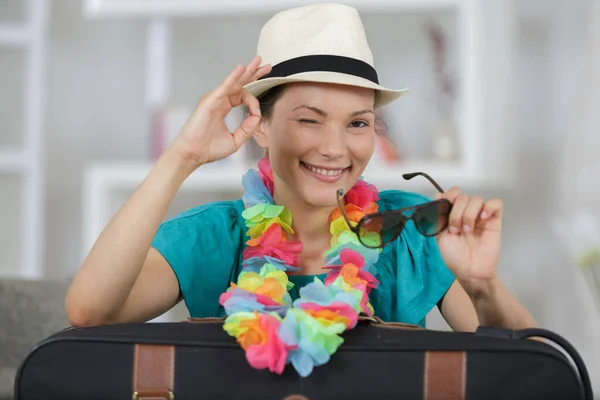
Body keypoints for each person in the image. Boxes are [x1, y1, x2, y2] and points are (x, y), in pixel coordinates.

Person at [66, 3, 537, 338]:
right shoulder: (212, 236)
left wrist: (483, 286)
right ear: (262, 127)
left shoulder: (414, 227)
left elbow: (527, 374)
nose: (334, 148)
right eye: (310, 119)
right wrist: (181, 156)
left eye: (358, 123)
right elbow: (91, 312)